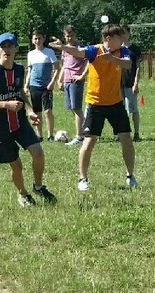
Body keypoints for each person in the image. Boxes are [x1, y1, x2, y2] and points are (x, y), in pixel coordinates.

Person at [52, 24, 138, 190]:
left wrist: (112, 59)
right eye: (119, 37)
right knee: (89, 140)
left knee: (126, 138)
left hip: (115, 103)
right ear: (108, 38)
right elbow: (78, 52)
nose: (122, 40)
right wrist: (62, 47)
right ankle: (82, 179)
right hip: (95, 103)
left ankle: (130, 176)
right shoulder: (94, 50)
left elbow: (128, 64)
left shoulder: (122, 51)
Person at [0, 32, 57, 206]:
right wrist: (5, 105)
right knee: (16, 165)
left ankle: (38, 186)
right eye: (3, 46)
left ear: (16, 49)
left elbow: (19, 92)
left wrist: (29, 110)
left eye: (10, 46)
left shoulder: (19, 69)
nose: (7, 50)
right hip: (0, 127)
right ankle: (23, 194)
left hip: (19, 122)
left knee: (38, 153)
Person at [24, 29, 59, 141]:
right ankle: (39, 135)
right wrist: (26, 85)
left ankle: (50, 135)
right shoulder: (30, 54)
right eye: (35, 38)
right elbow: (30, 71)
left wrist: (52, 82)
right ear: (32, 40)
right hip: (34, 86)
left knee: (48, 111)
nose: (37, 40)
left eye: (39, 38)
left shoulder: (49, 52)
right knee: (37, 111)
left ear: (43, 39)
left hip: (46, 87)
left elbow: (57, 68)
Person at [57, 24, 87, 146]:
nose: (69, 38)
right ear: (64, 36)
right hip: (67, 80)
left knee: (77, 108)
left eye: (71, 35)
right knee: (71, 108)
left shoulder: (80, 48)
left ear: (75, 35)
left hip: (76, 81)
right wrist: (60, 79)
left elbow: (88, 62)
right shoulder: (65, 49)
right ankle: (84, 130)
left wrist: (82, 75)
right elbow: (64, 65)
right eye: (67, 36)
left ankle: (80, 136)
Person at [122, 34, 142, 141]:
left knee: (133, 109)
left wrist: (136, 83)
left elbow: (138, 67)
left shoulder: (134, 49)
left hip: (130, 83)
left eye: (124, 33)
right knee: (120, 110)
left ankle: (136, 133)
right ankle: (122, 133)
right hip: (118, 84)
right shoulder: (117, 49)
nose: (122, 36)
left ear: (128, 34)